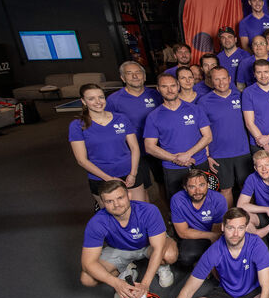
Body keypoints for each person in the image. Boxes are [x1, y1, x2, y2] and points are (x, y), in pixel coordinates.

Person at [80, 180, 177, 298]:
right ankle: (126, 272)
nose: (116, 204)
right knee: (87, 278)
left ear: (129, 195)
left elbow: (158, 248)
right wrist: (116, 283)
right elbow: (88, 263)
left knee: (169, 255)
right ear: (103, 203)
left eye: (120, 198)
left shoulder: (148, 211)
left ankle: (162, 266)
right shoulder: (97, 222)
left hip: (148, 246)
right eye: (109, 201)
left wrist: (145, 284)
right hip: (119, 249)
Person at [69, 83, 146, 205]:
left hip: (129, 174)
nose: (98, 102)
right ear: (83, 101)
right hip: (100, 178)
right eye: (91, 98)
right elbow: (81, 160)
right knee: (112, 214)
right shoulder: (77, 125)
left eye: (101, 97)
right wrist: (109, 179)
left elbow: (134, 148)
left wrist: (133, 173)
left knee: (139, 210)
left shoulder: (121, 118)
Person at [143, 74, 212, 199]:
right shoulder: (153, 116)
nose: (170, 90)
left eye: (173, 86)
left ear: (178, 86)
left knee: (204, 198)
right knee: (177, 200)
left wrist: (188, 154)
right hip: (172, 167)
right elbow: (149, 147)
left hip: (199, 162)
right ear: (158, 89)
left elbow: (208, 136)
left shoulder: (195, 109)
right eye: (164, 86)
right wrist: (175, 159)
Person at [106, 61, 165, 200]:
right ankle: (145, 213)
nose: (135, 76)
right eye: (129, 73)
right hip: (132, 151)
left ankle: (168, 211)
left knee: (163, 183)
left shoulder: (156, 95)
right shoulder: (114, 100)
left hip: (157, 148)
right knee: (141, 188)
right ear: (123, 78)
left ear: (144, 76)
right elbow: (108, 127)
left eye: (138, 72)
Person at [198, 66, 251, 206]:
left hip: (243, 152)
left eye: (223, 78)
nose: (221, 83)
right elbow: (202, 131)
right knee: (225, 189)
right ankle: (228, 218)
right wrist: (207, 155)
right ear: (211, 81)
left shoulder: (241, 96)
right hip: (219, 154)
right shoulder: (204, 101)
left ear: (229, 79)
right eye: (217, 79)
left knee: (246, 188)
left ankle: (249, 218)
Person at [170, 169, 226, 267]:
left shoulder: (218, 199)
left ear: (208, 185)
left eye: (201, 185)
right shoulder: (177, 200)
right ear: (185, 188)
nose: (197, 191)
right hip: (193, 236)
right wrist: (210, 236)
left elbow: (216, 232)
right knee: (185, 257)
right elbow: (182, 232)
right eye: (192, 187)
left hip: (214, 234)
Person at [237, 150, 269, 247]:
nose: (264, 169)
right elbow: (241, 205)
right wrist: (267, 209)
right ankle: (259, 234)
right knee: (240, 217)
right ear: (255, 168)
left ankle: (263, 234)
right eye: (260, 166)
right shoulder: (252, 178)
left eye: (267, 165)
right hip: (262, 214)